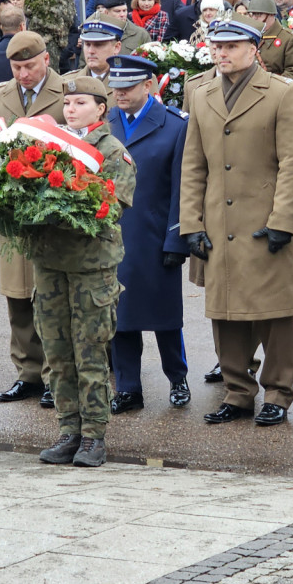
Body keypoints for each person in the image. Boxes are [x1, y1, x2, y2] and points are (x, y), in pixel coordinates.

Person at [180, 13, 293, 427]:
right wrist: (191, 222)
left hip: (264, 218)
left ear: (254, 50)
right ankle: (237, 390)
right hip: (219, 220)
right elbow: (193, 164)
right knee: (225, 308)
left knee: (272, 312)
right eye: (217, 47)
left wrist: (284, 221)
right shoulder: (200, 93)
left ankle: (277, 392)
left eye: (231, 46)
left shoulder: (280, 93)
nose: (222, 53)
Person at [34, 76, 136, 467]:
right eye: (68, 103)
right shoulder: (50, 146)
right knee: (57, 354)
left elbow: (111, 207)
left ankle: (94, 436)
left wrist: (58, 212)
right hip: (50, 264)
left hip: (91, 266)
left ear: (101, 109)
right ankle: (68, 431)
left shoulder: (112, 153)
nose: (71, 109)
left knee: (89, 352)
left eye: (80, 103)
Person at [105, 55, 190, 414]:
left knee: (165, 317)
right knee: (119, 318)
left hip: (155, 236)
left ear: (149, 85)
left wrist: (177, 238)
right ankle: (128, 387)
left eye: (128, 86)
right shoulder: (105, 123)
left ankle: (177, 377)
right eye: (116, 86)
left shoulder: (173, 126)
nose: (120, 93)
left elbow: (182, 189)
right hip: (113, 237)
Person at [0, 31, 65, 406]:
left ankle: (55, 376)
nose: (23, 74)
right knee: (17, 297)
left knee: (50, 297)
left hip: (53, 209)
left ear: (46, 59)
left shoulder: (68, 93)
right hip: (14, 212)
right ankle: (28, 374)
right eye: (17, 67)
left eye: (30, 66)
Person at [65, 13, 125, 107]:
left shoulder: (132, 83)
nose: (91, 51)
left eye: (98, 45)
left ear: (116, 47)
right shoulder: (67, 82)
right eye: (87, 44)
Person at [247, 0, 293, 83]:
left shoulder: (289, 38)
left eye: (258, 14)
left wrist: (271, 85)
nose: (254, 18)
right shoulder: (248, 37)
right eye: (252, 14)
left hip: (275, 92)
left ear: (271, 15)